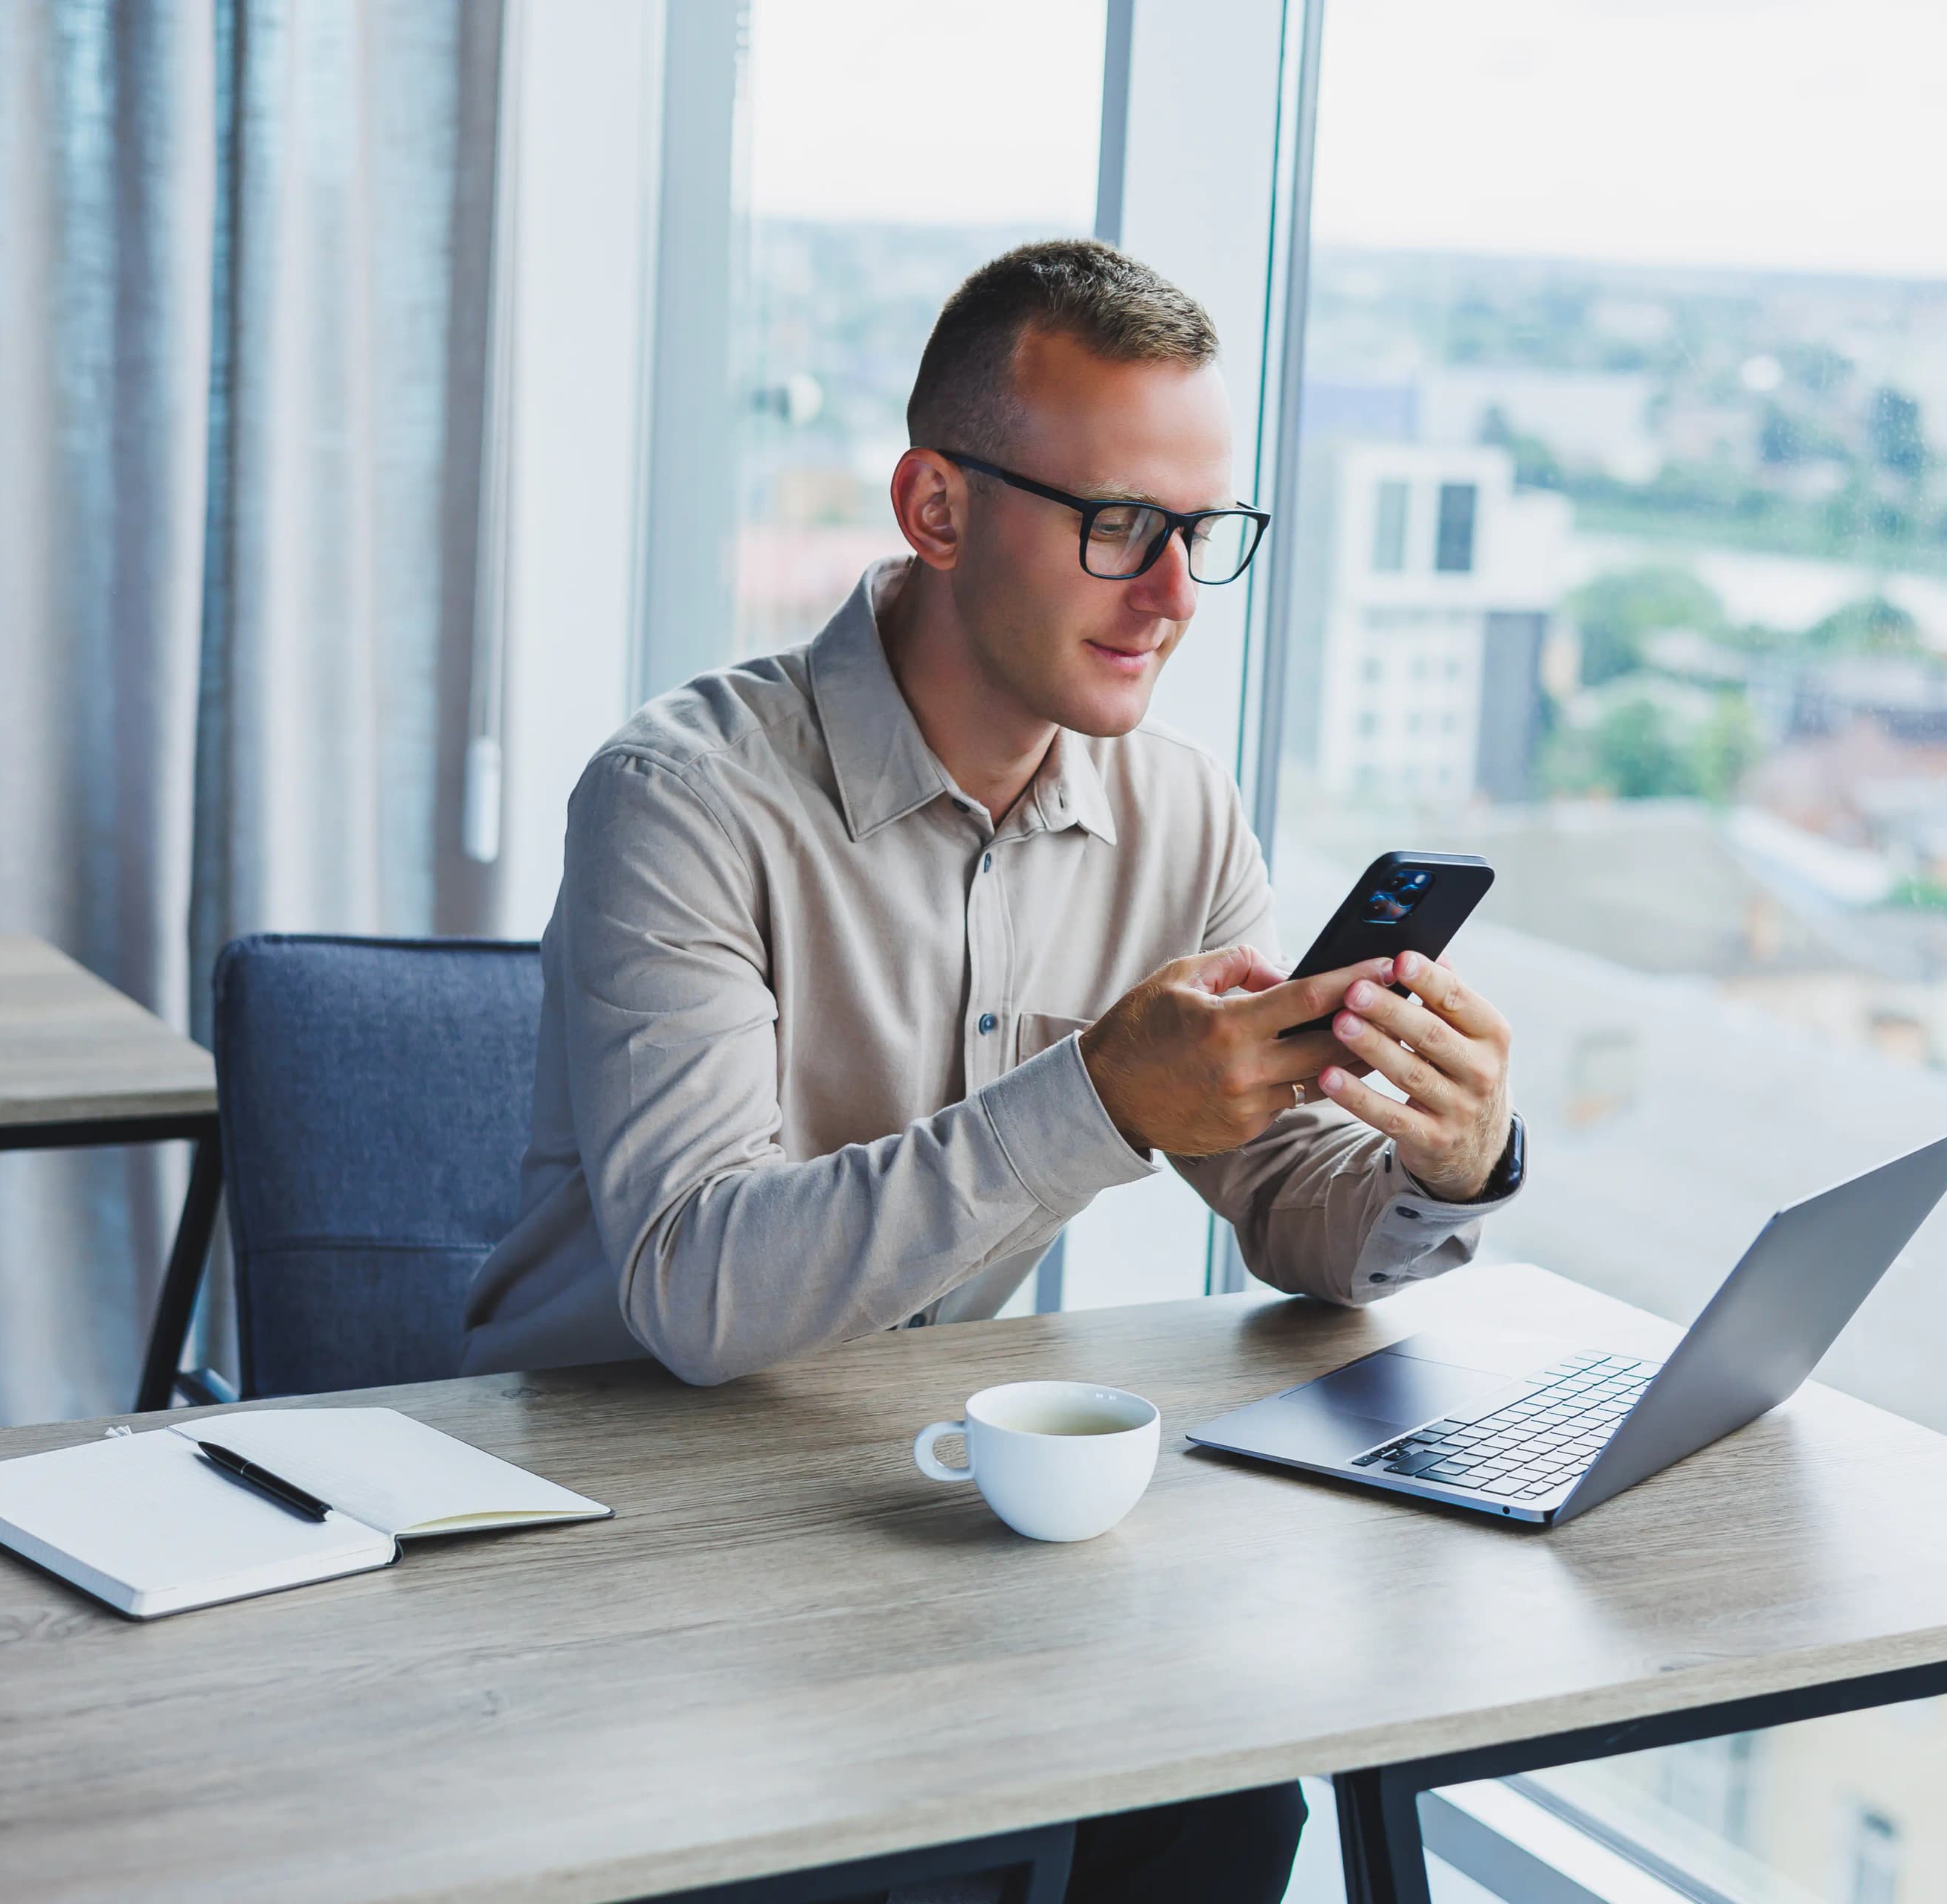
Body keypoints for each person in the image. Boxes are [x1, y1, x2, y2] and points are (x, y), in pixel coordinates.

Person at [460, 239, 1525, 1903]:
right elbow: (694, 1291)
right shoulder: (680, 800)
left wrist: (1444, 1168)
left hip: (912, 1506)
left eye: (1204, 535)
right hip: (605, 1526)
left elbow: (1291, 1208)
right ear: (937, 508)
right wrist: (1098, 1102)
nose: (1174, 596)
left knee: (1228, 1805)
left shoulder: (1177, 816)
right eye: (1120, 527)